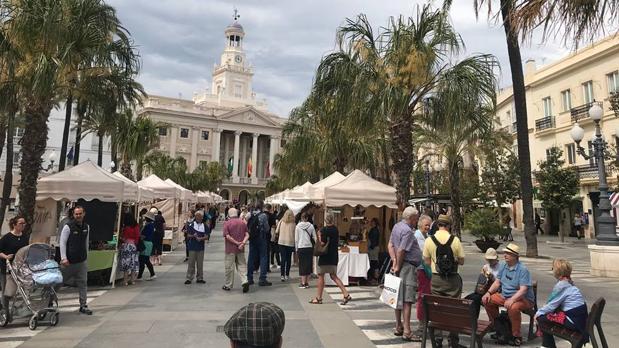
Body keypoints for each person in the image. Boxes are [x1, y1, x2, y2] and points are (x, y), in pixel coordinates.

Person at [422, 214, 465, 348]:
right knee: (453, 309)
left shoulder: (429, 240)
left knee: (437, 307)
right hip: (453, 279)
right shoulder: (455, 240)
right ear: (449, 226)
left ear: (438, 225)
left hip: (436, 279)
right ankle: (453, 340)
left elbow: (426, 261)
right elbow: (462, 261)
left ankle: (438, 338)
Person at [482, 243, 535, 346]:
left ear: (515, 256)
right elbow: (497, 282)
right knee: (487, 300)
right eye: (505, 253)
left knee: (513, 307)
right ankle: (498, 328)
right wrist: (488, 293)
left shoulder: (523, 269)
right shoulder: (503, 266)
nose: (505, 255)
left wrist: (512, 299)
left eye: (508, 253)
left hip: (523, 299)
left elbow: (523, 290)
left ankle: (516, 335)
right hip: (505, 296)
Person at [387, 206, 422, 342]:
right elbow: (401, 250)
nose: (417, 221)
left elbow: (390, 245)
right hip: (407, 267)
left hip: (400, 265)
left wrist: (394, 261)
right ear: (412, 218)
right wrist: (398, 265)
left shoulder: (397, 226)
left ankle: (398, 326)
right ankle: (407, 331)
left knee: (397, 297)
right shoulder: (407, 231)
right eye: (416, 218)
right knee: (407, 299)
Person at [536, 259, 588, 348]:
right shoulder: (568, 282)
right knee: (545, 316)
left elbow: (552, 305)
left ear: (557, 272)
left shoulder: (562, 285)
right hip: (579, 320)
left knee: (541, 318)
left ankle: (548, 346)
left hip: (574, 322)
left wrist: (537, 313)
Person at [310, 213, 352, 306]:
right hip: (333, 256)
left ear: (325, 220)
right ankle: (346, 293)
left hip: (325, 257)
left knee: (321, 276)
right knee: (334, 276)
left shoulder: (324, 230)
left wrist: (319, 235)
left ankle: (319, 298)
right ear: (332, 220)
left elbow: (322, 243)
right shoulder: (335, 230)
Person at [59, 206, 93, 315]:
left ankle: (83, 305)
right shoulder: (68, 227)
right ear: (73, 215)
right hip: (68, 262)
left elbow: (86, 243)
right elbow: (62, 243)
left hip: (81, 261)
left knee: (83, 283)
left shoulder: (87, 227)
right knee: (58, 282)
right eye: (76, 214)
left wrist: (86, 257)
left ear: (84, 214)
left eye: (80, 213)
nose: (78, 216)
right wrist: (63, 258)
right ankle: (49, 302)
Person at [0, 216, 29, 321]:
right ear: (14, 225)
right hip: (7, 268)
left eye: (24, 223)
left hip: (20, 268)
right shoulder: (7, 237)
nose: (23, 225)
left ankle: (22, 310)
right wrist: (6, 256)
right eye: (21, 223)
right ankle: (5, 312)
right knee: (7, 292)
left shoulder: (25, 237)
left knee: (22, 290)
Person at [465, 248, 501, 317]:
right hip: (484, 290)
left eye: (491, 260)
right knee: (468, 299)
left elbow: (499, 283)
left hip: (495, 291)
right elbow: (480, 283)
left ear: (496, 258)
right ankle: (473, 319)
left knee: (476, 299)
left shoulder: (500, 268)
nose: (490, 261)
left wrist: (492, 278)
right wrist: (483, 275)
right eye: (488, 259)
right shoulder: (486, 266)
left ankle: (475, 320)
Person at [222, 208, 250, 293]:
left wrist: (236, 243)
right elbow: (247, 235)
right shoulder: (242, 222)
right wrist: (242, 243)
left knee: (229, 267)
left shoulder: (227, 223)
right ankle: (244, 280)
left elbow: (227, 236)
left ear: (229, 214)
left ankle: (228, 285)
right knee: (242, 265)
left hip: (230, 249)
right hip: (241, 249)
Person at [413, 214, 432, 336]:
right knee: (422, 296)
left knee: (425, 295)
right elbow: (424, 255)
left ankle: (424, 321)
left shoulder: (427, 236)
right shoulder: (417, 237)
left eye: (429, 225)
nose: (428, 227)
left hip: (426, 270)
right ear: (420, 225)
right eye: (426, 225)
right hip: (422, 270)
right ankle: (421, 324)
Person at [247, 202, 272, 287]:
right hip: (261, 238)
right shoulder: (263, 216)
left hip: (252, 238)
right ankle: (262, 279)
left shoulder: (249, 214)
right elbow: (267, 228)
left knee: (251, 257)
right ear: (262, 207)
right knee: (263, 257)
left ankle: (249, 278)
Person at [185, 210, 209, 285]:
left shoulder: (204, 226)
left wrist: (201, 239)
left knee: (200, 263)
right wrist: (193, 236)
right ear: (195, 217)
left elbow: (207, 236)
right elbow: (188, 235)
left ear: (202, 218)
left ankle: (200, 277)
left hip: (200, 247)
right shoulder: (191, 225)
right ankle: (189, 277)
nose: (199, 218)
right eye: (197, 216)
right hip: (192, 246)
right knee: (191, 263)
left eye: (200, 216)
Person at [295, 212, 315, 289]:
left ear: (301, 218)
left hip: (301, 247)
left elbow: (296, 239)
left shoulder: (297, 227)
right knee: (308, 265)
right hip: (309, 247)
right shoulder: (311, 226)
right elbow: (314, 237)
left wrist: (296, 249)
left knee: (302, 265)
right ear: (307, 218)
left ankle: (303, 283)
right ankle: (306, 282)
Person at [120, 213, 140, 286]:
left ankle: (125, 281)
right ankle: (132, 280)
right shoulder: (136, 226)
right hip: (133, 246)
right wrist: (135, 244)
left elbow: (123, 237)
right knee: (133, 263)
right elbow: (137, 236)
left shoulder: (125, 227)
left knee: (126, 264)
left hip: (126, 246)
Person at [276, 209, 295, 282]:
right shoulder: (293, 223)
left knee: (283, 259)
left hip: (281, 242)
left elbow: (277, 231)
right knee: (288, 259)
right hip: (290, 242)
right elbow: (294, 233)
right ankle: (287, 275)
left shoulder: (281, 221)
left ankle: (282, 275)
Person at [138, 210, 157, 281]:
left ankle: (141, 276)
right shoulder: (151, 225)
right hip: (149, 243)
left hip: (145, 243)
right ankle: (151, 274)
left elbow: (143, 236)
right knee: (145, 260)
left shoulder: (148, 226)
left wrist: (139, 236)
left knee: (143, 260)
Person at [367, 218, 380, 282]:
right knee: (373, 262)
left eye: (371, 222)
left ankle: (375, 278)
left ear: (374, 222)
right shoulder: (373, 229)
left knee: (374, 262)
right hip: (373, 248)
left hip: (373, 249)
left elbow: (373, 241)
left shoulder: (374, 230)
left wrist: (370, 247)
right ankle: (374, 277)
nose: (370, 223)